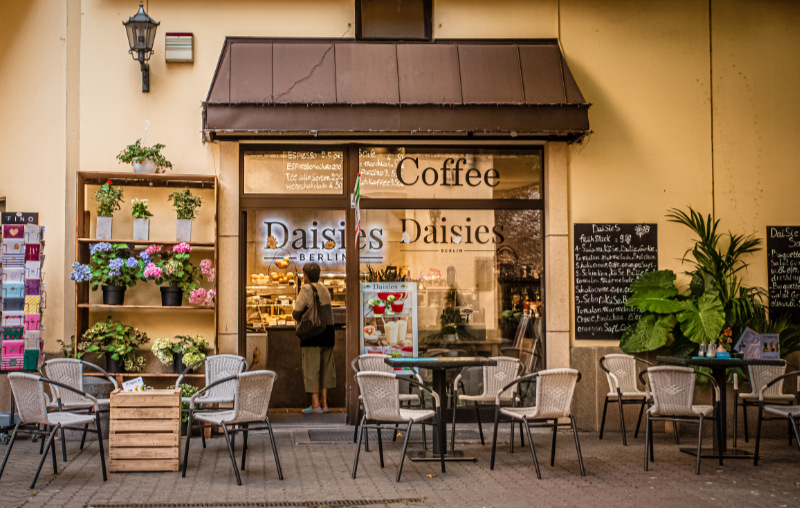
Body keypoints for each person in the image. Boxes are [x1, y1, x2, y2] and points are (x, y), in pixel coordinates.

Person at [292, 262, 336, 414]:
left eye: (303, 275)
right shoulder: (325, 288)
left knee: (312, 369)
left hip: (313, 333)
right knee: (325, 369)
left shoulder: (305, 289)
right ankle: (325, 404)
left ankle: (315, 405)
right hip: (328, 332)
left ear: (306, 276)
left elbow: (296, 312)